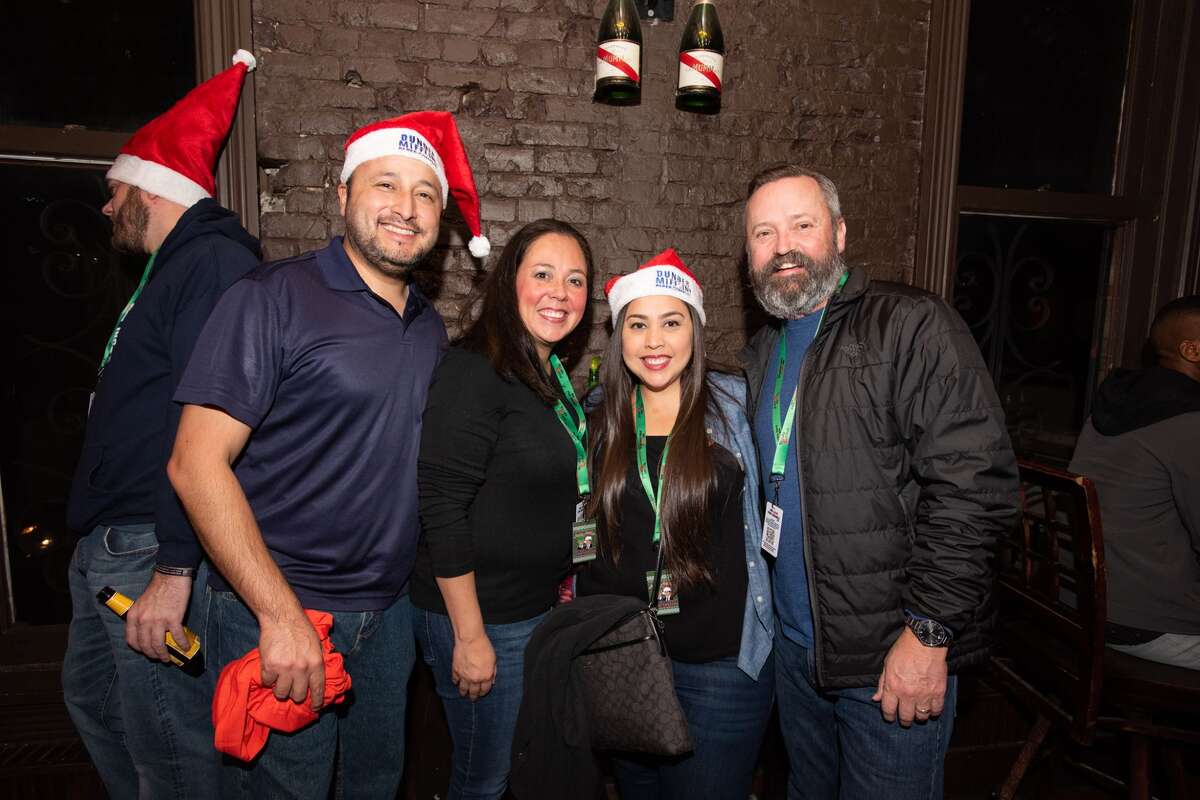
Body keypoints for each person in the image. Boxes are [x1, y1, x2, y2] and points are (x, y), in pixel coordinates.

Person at [166, 111, 489, 799]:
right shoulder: (271, 300)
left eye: (425, 194)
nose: (406, 208)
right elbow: (194, 465)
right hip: (285, 609)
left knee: (376, 785)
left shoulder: (429, 329)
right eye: (386, 185)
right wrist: (278, 618)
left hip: (388, 615)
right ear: (341, 196)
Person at [739, 164, 1019, 799]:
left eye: (801, 225)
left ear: (838, 233)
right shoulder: (763, 352)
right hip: (797, 656)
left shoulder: (910, 325)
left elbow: (973, 487)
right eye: (763, 232)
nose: (782, 246)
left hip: (889, 661)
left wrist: (927, 633)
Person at [61, 50, 260, 800]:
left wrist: (175, 570)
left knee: (170, 755)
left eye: (115, 192)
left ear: (152, 185)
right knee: (99, 708)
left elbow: (204, 422)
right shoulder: (167, 269)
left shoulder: (210, 265)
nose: (108, 209)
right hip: (112, 542)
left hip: (151, 545)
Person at [577, 248, 774, 800]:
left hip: (722, 670)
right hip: (624, 657)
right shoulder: (598, 418)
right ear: (620, 338)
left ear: (696, 328)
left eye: (671, 321)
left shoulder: (738, 408)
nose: (655, 341)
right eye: (637, 325)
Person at [411, 218, 593, 799]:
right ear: (511, 281)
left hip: (529, 610)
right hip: (480, 615)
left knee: (513, 768)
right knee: (482, 778)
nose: (559, 293)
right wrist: (469, 637)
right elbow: (440, 505)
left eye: (575, 280)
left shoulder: (551, 373)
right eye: (542, 274)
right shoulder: (476, 367)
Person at [1069, 295, 1200, 670]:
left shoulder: (1113, 405)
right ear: (1191, 350)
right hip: (1148, 622)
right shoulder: (1190, 421)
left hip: (1085, 604)